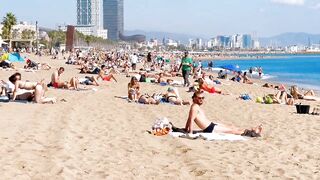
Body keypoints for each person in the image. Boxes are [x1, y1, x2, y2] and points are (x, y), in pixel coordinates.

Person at [183, 91, 262, 137]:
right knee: (232, 131)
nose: (201, 100)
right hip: (210, 129)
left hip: (212, 125)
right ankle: (253, 133)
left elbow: (189, 118)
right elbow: (191, 119)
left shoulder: (196, 106)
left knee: (232, 127)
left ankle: (252, 130)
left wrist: (186, 128)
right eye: (199, 98)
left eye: (203, 98)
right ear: (194, 98)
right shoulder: (194, 107)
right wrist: (190, 132)